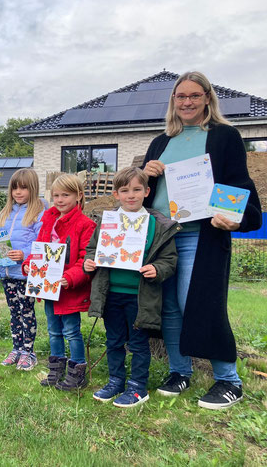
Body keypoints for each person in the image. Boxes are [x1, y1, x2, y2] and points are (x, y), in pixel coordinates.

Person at [142, 71, 262, 409]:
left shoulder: (225, 136)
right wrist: (146, 176)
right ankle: (180, 372)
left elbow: (237, 183)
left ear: (208, 98)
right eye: (181, 97)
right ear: (173, 102)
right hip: (162, 239)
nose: (187, 102)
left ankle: (229, 381)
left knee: (198, 304)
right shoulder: (161, 141)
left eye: (195, 96)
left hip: (201, 237)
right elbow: (143, 194)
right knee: (167, 307)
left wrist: (235, 219)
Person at [84, 167, 178, 407]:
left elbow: (169, 260)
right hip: (111, 294)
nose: (131, 195)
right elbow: (92, 249)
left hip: (140, 296)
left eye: (137, 189)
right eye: (125, 191)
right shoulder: (108, 221)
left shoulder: (156, 224)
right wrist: (89, 262)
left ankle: (138, 387)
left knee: (137, 343)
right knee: (114, 341)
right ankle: (116, 381)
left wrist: (157, 269)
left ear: (147, 191)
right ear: (116, 194)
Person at [22, 174, 96, 390]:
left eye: (66, 195)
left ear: (79, 196)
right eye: (56, 195)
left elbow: (86, 258)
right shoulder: (47, 220)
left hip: (68, 289)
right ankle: (56, 370)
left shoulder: (86, 224)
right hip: (48, 287)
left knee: (71, 331)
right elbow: (39, 249)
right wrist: (28, 264)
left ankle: (77, 372)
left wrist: (71, 277)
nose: (60, 199)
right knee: (53, 330)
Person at [0, 169, 44, 370]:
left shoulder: (39, 213)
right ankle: (16, 348)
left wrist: (24, 254)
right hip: (6, 272)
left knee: (27, 312)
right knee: (14, 312)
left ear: (33, 188)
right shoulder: (4, 213)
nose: (18, 192)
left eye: (23, 188)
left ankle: (29, 352)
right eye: (15, 187)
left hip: (25, 272)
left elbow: (42, 243)